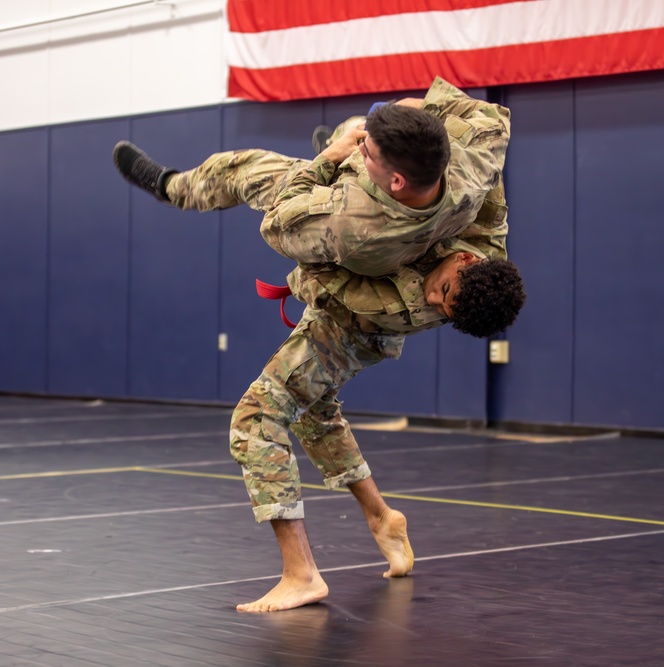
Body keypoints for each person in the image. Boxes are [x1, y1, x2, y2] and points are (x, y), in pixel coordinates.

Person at [112, 77, 526, 612]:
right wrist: (383, 120)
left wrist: (333, 156)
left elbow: (299, 253)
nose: (433, 295)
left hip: (355, 323)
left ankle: (300, 572)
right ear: (472, 258)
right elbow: (480, 115)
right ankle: (382, 516)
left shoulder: (366, 243)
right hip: (387, 226)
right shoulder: (475, 166)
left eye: (441, 300)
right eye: (443, 288)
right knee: (313, 411)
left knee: (257, 417)